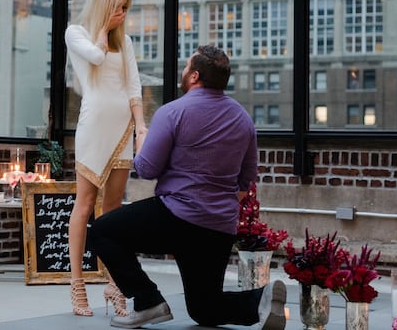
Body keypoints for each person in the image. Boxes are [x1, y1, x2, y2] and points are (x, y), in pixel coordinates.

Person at [89, 45, 287, 329]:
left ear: (194, 76)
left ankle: (148, 301)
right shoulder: (243, 119)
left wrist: (140, 145)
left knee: (103, 230)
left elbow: (146, 169)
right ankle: (260, 300)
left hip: (175, 216)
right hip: (218, 226)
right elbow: (246, 181)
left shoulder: (173, 112)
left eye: (185, 67)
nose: (182, 72)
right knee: (204, 308)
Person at [64, 0, 148, 317]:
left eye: (126, 9)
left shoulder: (124, 40)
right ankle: (77, 284)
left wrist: (140, 125)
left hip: (122, 131)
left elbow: (133, 84)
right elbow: (96, 59)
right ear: (104, 4)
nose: (123, 14)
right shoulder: (76, 33)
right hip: (94, 128)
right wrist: (102, 31)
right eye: (119, 7)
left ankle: (114, 283)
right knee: (84, 205)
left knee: (113, 209)